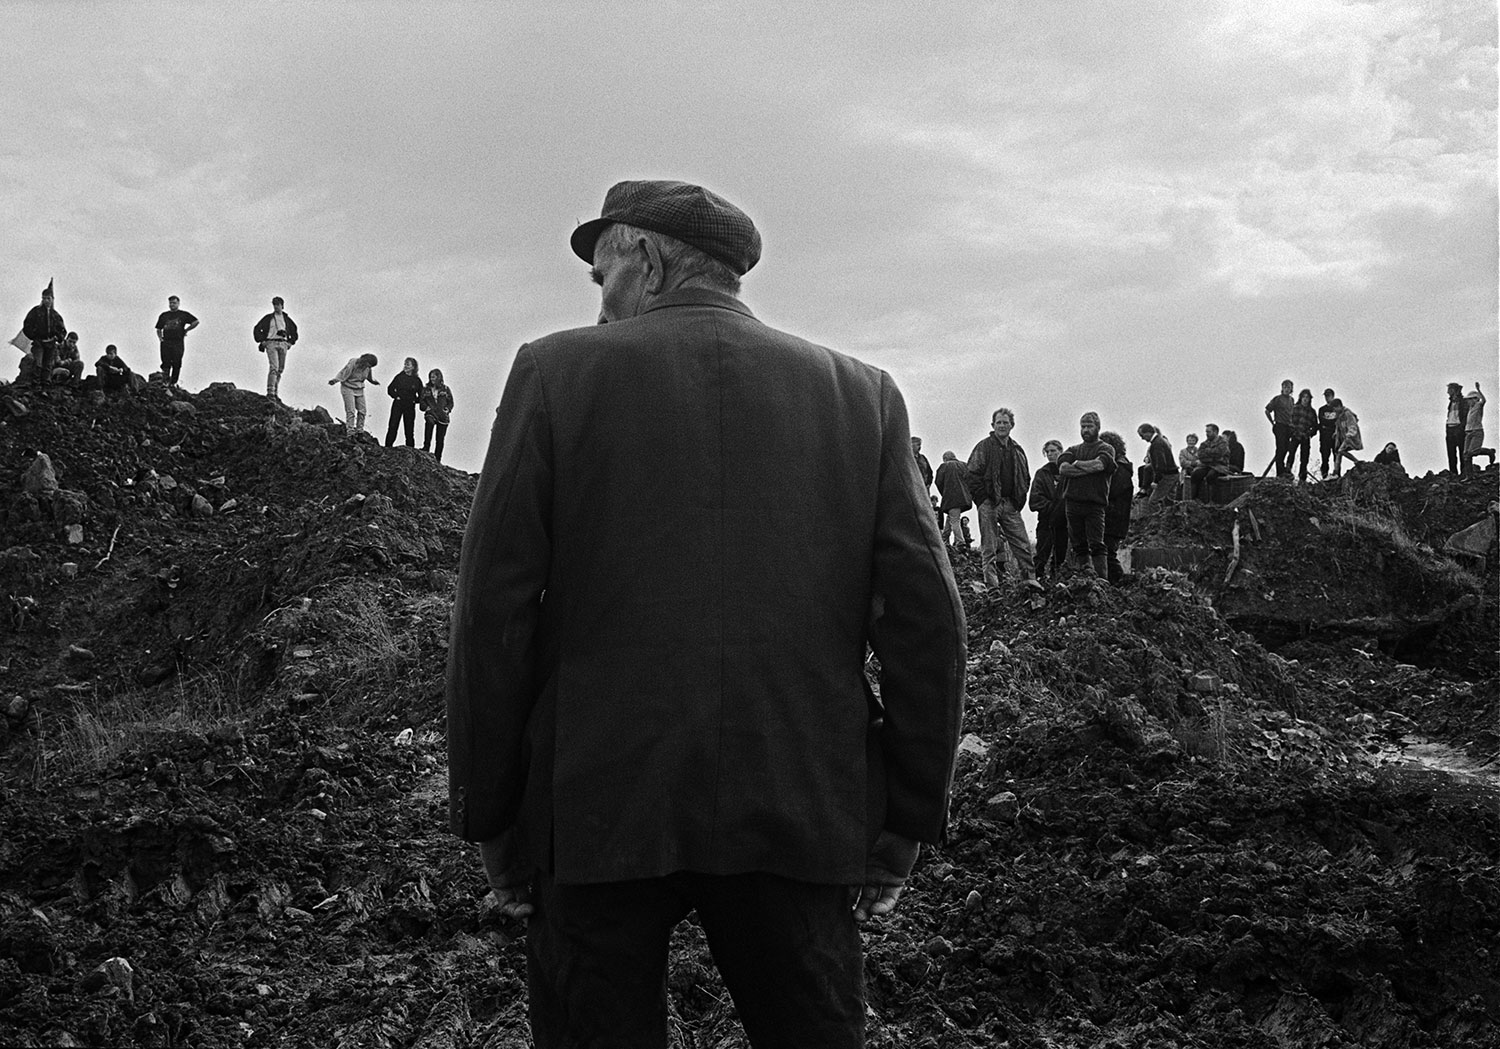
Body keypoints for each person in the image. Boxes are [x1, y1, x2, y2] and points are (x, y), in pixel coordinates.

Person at [446, 179, 965, 1047]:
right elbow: (927, 625)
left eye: (602, 270)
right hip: (798, 798)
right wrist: (908, 815)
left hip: (596, 806)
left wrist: (491, 813)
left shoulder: (553, 371)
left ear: (645, 259)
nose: (601, 299)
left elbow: (493, 613)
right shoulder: (861, 395)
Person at [966, 407, 1035, 590]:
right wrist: (982, 499)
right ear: (992, 425)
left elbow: (1025, 477)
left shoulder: (1017, 450)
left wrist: (1018, 500)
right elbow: (971, 473)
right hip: (989, 503)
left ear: (1012, 425)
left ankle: (1030, 582)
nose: (1002, 425)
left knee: (1022, 545)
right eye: (999, 422)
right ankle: (992, 587)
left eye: (1005, 422)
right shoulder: (984, 446)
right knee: (989, 547)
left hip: (1010, 504)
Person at [1057, 412, 1114, 579]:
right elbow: (1063, 469)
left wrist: (1078, 464)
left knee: (1097, 544)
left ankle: (1102, 581)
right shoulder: (1073, 449)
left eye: (1089, 426)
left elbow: (1099, 465)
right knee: (1079, 544)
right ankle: (1086, 577)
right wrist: (1085, 469)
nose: (1086, 430)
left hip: (1095, 505)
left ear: (1097, 427)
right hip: (1073, 504)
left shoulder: (1106, 448)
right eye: (1083, 426)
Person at [1028, 439, 1069, 582]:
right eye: (1048, 452)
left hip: (1064, 521)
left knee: (1061, 554)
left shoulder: (1068, 472)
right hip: (1046, 520)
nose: (1051, 454)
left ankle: (1056, 580)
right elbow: (1035, 499)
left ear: (1060, 451)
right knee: (1042, 553)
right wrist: (1052, 508)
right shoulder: (1042, 473)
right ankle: (1036, 580)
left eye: (1053, 451)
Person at [1100, 431, 1134, 585]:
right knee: (1106, 553)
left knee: (1108, 554)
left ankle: (1121, 583)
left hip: (1114, 519)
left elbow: (1112, 491)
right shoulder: (1121, 466)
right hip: (1114, 518)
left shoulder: (1120, 469)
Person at [253, 296, 299, 402]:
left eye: (278, 304)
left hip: (283, 343)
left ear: (282, 306)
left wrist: (290, 342)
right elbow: (256, 328)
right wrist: (262, 341)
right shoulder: (268, 318)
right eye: (274, 304)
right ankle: (271, 392)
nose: (276, 306)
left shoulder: (286, 320)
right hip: (271, 342)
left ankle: (275, 391)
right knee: (274, 366)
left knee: (280, 369)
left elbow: (294, 331)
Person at [21, 282, 66, 385]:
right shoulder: (36, 311)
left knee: (48, 365)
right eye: (44, 298)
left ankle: (45, 386)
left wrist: (58, 338)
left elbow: (62, 330)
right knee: (38, 363)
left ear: (52, 299)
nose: (46, 301)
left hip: (51, 343)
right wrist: (34, 336)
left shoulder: (55, 315)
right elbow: (27, 325)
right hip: (39, 342)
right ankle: (36, 385)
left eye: (48, 298)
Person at [328, 353, 380, 432]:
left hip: (359, 388)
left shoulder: (367, 368)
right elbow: (343, 373)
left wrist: (374, 382)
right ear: (365, 361)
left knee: (362, 411)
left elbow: (369, 377)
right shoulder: (353, 362)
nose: (369, 367)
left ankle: (360, 431)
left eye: (370, 367)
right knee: (351, 411)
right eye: (369, 365)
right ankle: (350, 432)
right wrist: (335, 380)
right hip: (348, 387)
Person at [154, 295, 199, 387]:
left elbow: (196, 321)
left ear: (178, 303)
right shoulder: (164, 315)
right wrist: (160, 338)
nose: (172, 305)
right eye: (170, 303)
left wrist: (186, 330)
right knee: (165, 362)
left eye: (174, 303)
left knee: (177, 362)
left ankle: (173, 382)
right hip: (166, 342)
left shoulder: (183, 314)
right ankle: (165, 381)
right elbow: (158, 328)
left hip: (178, 342)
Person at [934, 450, 972, 549]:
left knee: (955, 519)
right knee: (952, 516)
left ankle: (960, 542)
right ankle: (944, 539)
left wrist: (944, 493)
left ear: (945, 459)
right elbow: (971, 480)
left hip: (951, 497)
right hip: (964, 498)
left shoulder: (944, 466)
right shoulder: (964, 465)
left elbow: (938, 482)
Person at [1136, 424, 1178, 510]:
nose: (1142, 438)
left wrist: (1155, 481)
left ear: (1148, 433)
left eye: (1142, 435)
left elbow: (1161, 465)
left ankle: (1158, 522)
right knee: (1169, 501)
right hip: (1173, 473)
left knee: (1153, 502)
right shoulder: (1160, 440)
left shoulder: (1157, 444)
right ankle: (1171, 520)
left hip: (1168, 476)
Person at [385, 357, 424, 448]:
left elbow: (422, 394)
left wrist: (415, 401)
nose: (406, 366)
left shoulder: (417, 380)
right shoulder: (399, 377)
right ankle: (387, 447)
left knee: (409, 429)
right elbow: (390, 388)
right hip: (398, 404)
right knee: (393, 426)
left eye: (408, 364)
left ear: (413, 367)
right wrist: (396, 396)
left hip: (410, 406)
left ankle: (410, 450)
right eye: (405, 364)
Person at [1189, 423, 1233, 500]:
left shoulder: (1223, 443)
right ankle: (1194, 499)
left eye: (1208, 432)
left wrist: (1208, 453)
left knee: (1211, 476)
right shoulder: (1205, 443)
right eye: (1206, 432)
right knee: (1195, 474)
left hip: (1220, 466)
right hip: (1207, 465)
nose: (1207, 434)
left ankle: (1212, 500)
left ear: (1215, 432)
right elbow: (1200, 455)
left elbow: (1220, 453)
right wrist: (1211, 456)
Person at [420, 368, 454, 462]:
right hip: (431, 413)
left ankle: (437, 458)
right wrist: (425, 407)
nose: (432, 379)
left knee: (440, 439)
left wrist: (447, 409)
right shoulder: (426, 389)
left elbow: (451, 402)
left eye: (434, 377)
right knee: (429, 423)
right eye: (431, 377)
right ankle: (426, 447)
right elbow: (421, 400)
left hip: (443, 416)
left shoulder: (446, 389)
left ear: (439, 377)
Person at [1265, 379, 1296, 477]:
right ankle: (1280, 472)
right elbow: (1267, 410)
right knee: (1281, 448)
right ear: (1282, 388)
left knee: (1288, 448)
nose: (1287, 389)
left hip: (1289, 427)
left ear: (1291, 389)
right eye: (1285, 387)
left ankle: (1285, 469)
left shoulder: (1292, 400)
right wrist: (1272, 423)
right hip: (1279, 425)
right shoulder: (1277, 399)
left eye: (1289, 387)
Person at [1463, 382, 1494, 475]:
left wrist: (1478, 390)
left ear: (1475, 399)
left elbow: (1483, 400)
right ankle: (1469, 476)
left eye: (1469, 399)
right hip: (1468, 432)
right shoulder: (1470, 409)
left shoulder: (1478, 406)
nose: (1468, 401)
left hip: (1477, 431)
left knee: (1473, 451)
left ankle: (1489, 452)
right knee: (1466, 454)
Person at [1288, 389, 1319, 482]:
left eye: (1307, 397)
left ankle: (1302, 478)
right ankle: (1287, 472)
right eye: (1304, 397)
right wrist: (1293, 432)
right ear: (1300, 398)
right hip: (1295, 435)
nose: (1305, 399)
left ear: (1310, 399)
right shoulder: (1295, 408)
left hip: (1305, 437)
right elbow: (1290, 421)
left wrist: (1309, 433)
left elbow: (1315, 426)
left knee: (1304, 458)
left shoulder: (1312, 412)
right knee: (1291, 454)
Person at [1331, 399, 1362, 477]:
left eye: (1335, 408)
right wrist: (1336, 433)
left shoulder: (1347, 414)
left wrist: (1349, 434)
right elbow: (1338, 426)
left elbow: (1352, 425)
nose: (1334, 410)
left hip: (1350, 437)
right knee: (1338, 452)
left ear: (1339, 406)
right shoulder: (1339, 415)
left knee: (1341, 450)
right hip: (1342, 437)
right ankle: (1335, 472)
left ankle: (1357, 461)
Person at [1318, 389, 1342, 478]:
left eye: (1329, 396)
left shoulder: (1337, 409)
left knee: (1337, 455)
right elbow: (1322, 421)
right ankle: (1324, 475)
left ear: (1333, 396)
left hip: (1335, 435)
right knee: (1324, 456)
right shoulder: (1322, 409)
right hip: (1324, 435)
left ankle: (1337, 474)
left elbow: (1339, 420)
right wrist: (1332, 422)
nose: (1327, 398)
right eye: (1326, 396)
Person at [1445, 383, 1468, 474]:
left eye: (1450, 389)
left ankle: (1464, 472)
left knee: (1462, 452)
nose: (1448, 392)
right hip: (1450, 428)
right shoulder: (1451, 402)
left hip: (1458, 428)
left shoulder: (1462, 402)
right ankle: (1453, 473)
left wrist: (1461, 427)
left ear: (1454, 390)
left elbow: (1464, 416)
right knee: (1451, 453)